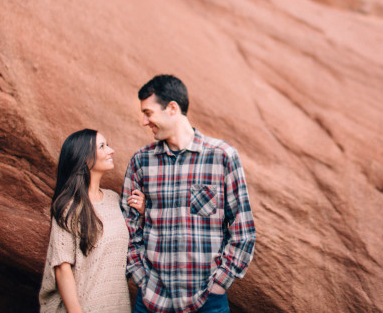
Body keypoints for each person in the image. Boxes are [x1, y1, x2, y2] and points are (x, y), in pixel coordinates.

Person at [122, 75, 256, 313]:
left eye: (148, 112)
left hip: (207, 301)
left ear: (172, 108)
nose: (144, 121)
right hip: (151, 299)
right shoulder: (141, 162)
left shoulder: (222, 156)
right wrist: (141, 278)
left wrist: (220, 283)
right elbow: (128, 227)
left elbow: (242, 230)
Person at [39, 128, 145, 313]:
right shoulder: (68, 208)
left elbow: (134, 244)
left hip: (118, 306)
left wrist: (142, 212)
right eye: (102, 146)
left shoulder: (113, 199)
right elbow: (62, 269)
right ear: (85, 158)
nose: (111, 150)